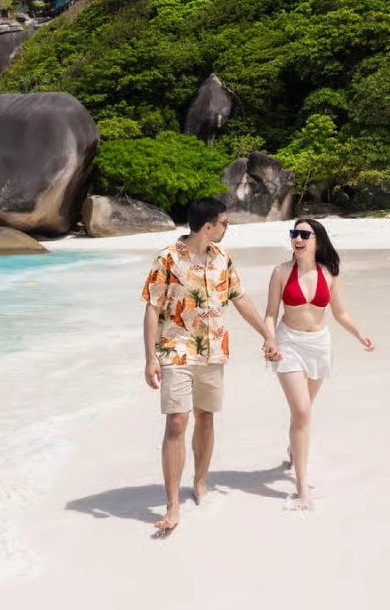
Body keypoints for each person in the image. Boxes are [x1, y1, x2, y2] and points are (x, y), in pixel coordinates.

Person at [142, 197, 279, 535]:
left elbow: (240, 299)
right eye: (224, 223)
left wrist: (267, 333)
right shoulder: (168, 259)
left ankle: (199, 482)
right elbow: (151, 307)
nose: (226, 228)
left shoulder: (223, 258)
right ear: (208, 227)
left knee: (205, 417)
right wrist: (149, 358)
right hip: (176, 351)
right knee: (177, 422)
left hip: (214, 352)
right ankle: (172, 503)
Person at [264, 218, 374, 510]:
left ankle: (293, 447)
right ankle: (302, 488)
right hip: (288, 343)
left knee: (304, 413)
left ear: (317, 240)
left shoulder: (329, 273)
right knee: (301, 411)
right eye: (294, 234)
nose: (297, 239)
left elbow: (340, 313)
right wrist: (269, 340)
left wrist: (360, 334)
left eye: (304, 234)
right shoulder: (281, 272)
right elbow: (271, 314)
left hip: (319, 346)